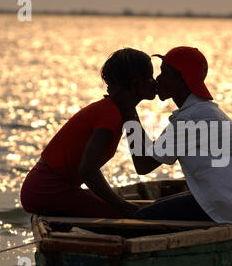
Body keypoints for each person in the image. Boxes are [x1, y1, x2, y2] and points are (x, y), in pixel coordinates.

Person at [124, 46, 232, 223]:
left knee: (142, 217)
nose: (158, 79)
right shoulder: (200, 111)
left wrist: (128, 108)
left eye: (164, 73)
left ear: (182, 79)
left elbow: (143, 164)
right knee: (158, 205)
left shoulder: (191, 118)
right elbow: (150, 155)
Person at [20, 48, 157, 218]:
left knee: (129, 209)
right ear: (135, 84)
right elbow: (88, 171)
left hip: (54, 189)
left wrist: (131, 112)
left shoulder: (121, 111)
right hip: (47, 190)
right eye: (150, 77)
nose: (155, 83)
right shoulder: (110, 115)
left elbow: (141, 162)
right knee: (128, 215)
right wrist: (122, 206)